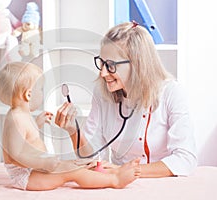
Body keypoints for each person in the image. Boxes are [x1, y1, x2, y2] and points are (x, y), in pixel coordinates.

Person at [55, 21, 197, 178]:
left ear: (138, 64)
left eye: (110, 65)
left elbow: (185, 159)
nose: (103, 73)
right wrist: (74, 131)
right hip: (121, 183)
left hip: (163, 183)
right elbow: (92, 159)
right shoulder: (102, 93)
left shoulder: (171, 93)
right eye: (101, 63)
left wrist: (124, 170)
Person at [0, 61, 141, 191]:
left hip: (35, 168)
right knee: (74, 171)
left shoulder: (21, 115)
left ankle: (113, 172)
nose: (42, 94)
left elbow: (27, 139)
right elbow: (15, 155)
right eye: (40, 90)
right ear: (28, 95)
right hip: (27, 176)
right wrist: (44, 162)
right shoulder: (16, 119)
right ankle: (114, 180)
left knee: (79, 163)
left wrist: (37, 124)